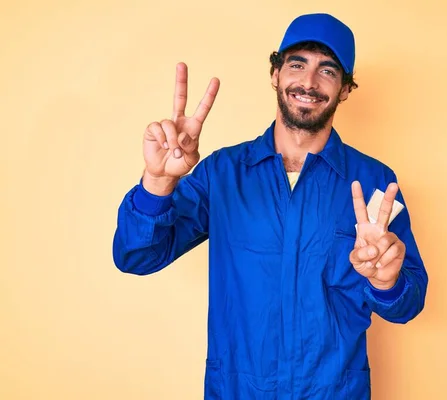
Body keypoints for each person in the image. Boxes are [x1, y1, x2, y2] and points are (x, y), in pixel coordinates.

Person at [112, 12, 428, 399]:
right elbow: (136, 257)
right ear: (276, 73)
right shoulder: (223, 174)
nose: (309, 82)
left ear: (345, 88)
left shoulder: (377, 184)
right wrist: (158, 182)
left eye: (328, 71)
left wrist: (386, 282)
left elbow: (408, 304)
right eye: (297, 64)